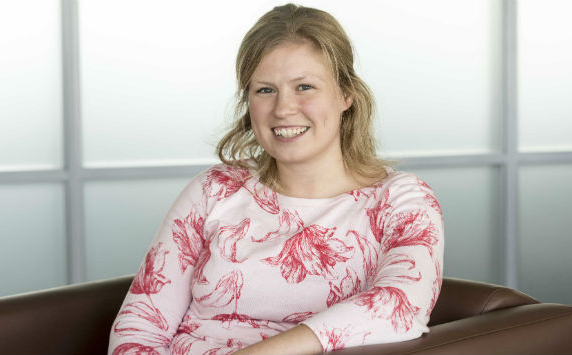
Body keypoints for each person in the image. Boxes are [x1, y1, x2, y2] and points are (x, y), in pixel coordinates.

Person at [108, 4, 444, 355]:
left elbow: (401, 307)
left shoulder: (401, 200)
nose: (283, 108)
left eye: (305, 86)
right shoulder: (214, 189)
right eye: (265, 90)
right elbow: (140, 325)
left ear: (347, 95)